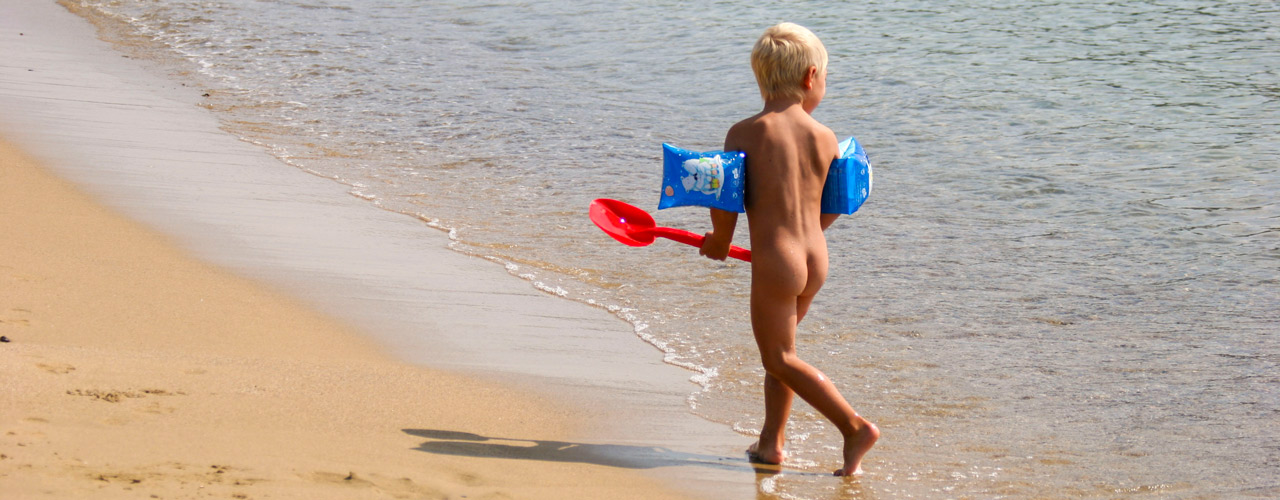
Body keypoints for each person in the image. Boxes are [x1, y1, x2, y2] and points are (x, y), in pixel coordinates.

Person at [699, 22, 878, 476]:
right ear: (809, 76)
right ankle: (770, 443)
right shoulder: (824, 136)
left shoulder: (744, 133)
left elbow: (726, 202)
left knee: (778, 357)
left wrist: (719, 242)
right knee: (786, 354)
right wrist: (803, 238)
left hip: (777, 262)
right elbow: (834, 203)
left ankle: (853, 426)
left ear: (762, 78)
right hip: (815, 256)